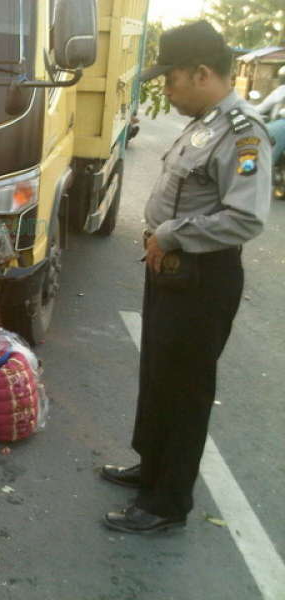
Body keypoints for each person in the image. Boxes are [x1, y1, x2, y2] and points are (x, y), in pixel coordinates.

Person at [100, 20, 271, 534]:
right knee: (158, 374)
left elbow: (246, 216)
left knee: (185, 387)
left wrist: (172, 234)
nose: (166, 91)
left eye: (170, 81)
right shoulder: (206, 121)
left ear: (200, 73)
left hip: (203, 278)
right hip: (173, 272)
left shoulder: (243, 133)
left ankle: (167, 503)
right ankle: (151, 467)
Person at [255, 65, 285, 165]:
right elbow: (263, 107)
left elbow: (262, 107)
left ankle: (264, 169)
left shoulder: (281, 90)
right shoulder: (280, 91)